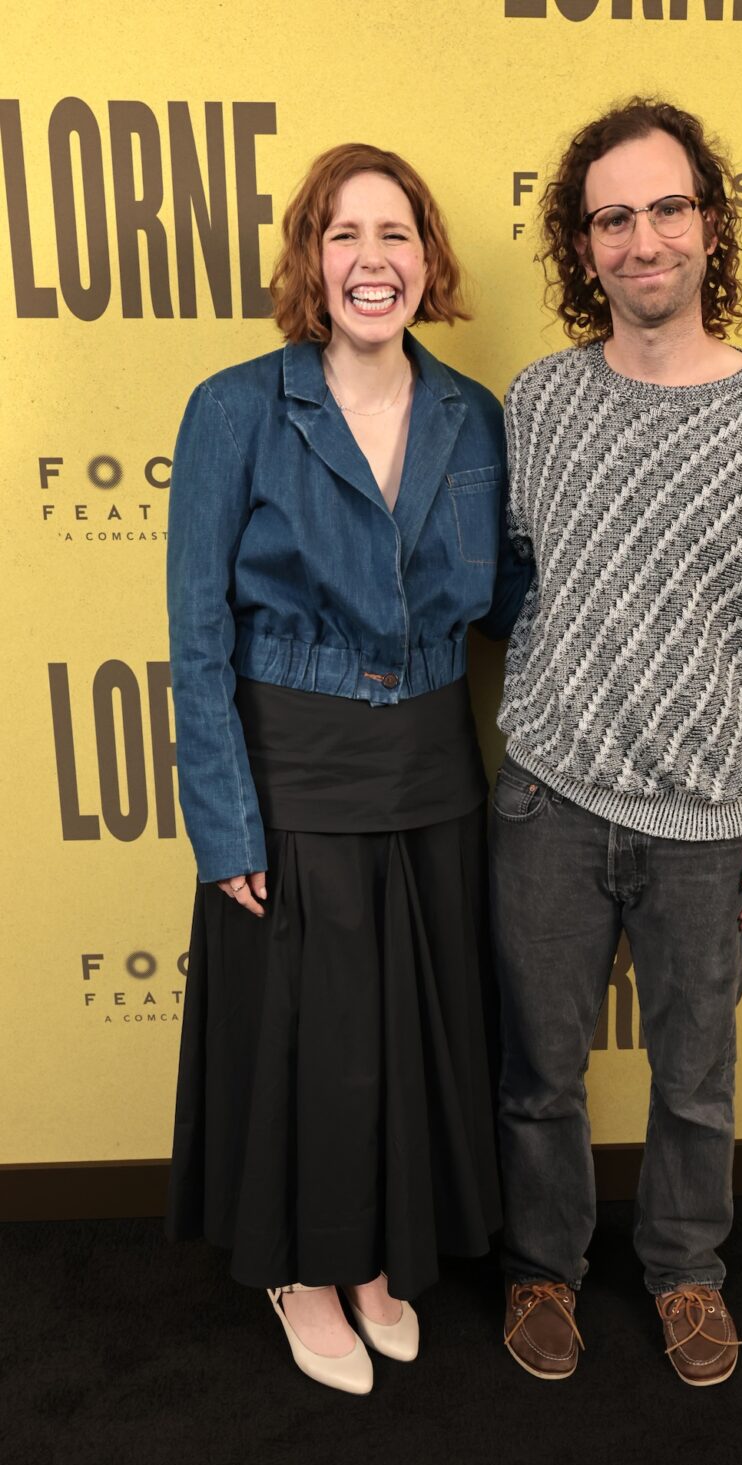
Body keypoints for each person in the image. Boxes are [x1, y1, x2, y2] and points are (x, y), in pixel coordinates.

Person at [492, 99, 742, 1386]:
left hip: (710, 816)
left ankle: (686, 1273)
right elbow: (514, 573)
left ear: (709, 224)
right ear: (580, 245)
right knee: (537, 1069)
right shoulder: (538, 402)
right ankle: (542, 1267)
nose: (640, 239)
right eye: (611, 218)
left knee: (695, 1078)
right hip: (546, 797)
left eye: (665, 208)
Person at [165, 143, 530, 1393]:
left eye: (395, 234)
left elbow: (513, 606)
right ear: (310, 262)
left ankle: (375, 1257)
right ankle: (302, 1270)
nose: (372, 261)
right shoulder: (235, 408)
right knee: (310, 1042)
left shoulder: (474, 416)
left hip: (432, 773)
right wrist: (226, 826)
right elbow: (197, 634)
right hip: (291, 773)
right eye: (344, 235)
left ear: (428, 259)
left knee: (407, 1039)